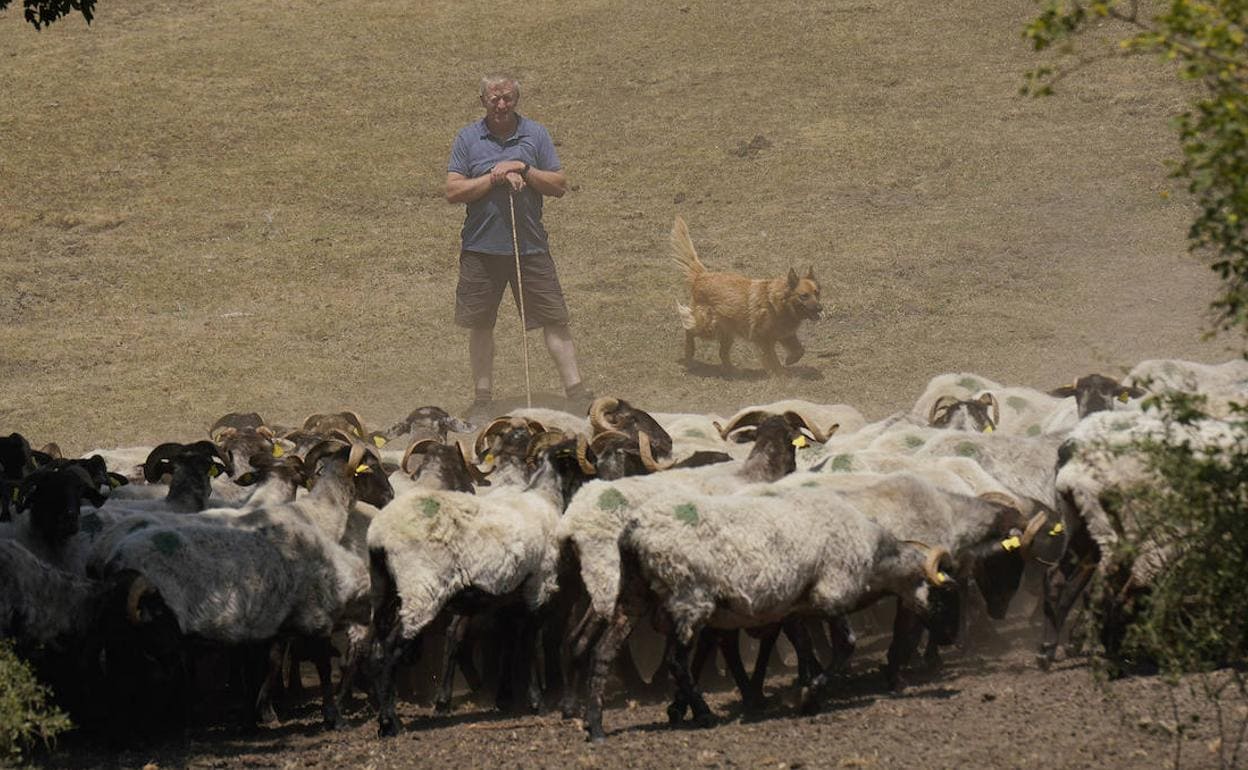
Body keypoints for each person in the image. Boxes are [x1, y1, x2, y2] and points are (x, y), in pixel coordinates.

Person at [446, 73, 592, 419]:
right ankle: (483, 400)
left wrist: (523, 169)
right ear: (483, 101)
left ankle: (576, 393)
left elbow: (558, 184)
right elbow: (453, 191)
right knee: (481, 324)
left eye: (508, 98)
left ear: (516, 100)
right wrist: (492, 178)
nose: (501, 105)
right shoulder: (468, 138)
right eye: (494, 98)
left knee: (555, 319)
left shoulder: (535, 134)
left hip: (530, 248)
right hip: (481, 249)